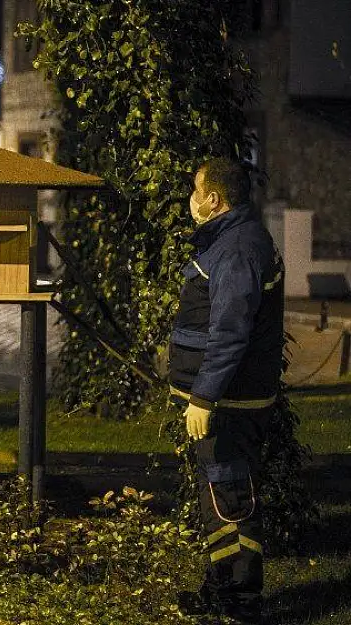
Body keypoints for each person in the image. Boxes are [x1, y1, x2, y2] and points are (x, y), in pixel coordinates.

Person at [169, 157, 284, 625]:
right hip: (227, 396)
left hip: (229, 400)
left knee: (231, 496)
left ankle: (240, 602)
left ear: (214, 199)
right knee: (219, 492)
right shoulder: (231, 240)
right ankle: (221, 589)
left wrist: (203, 398)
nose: (192, 198)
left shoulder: (236, 249)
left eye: (197, 189)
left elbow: (230, 332)